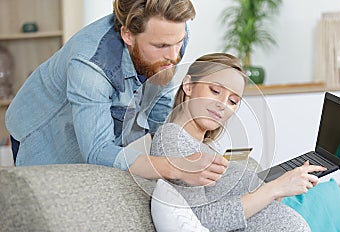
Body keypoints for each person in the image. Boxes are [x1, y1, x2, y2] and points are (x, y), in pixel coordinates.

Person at [150, 53, 340, 232]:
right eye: (215, 91)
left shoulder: (204, 147)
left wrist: (279, 189)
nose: (222, 105)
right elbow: (200, 221)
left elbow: (236, 207)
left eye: (233, 100)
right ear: (188, 85)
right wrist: (272, 189)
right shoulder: (172, 138)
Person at [5, 0, 228, 186]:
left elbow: (160, 102)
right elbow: (97, 151)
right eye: (161, 46)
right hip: (42, 129)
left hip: (90, 124)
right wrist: (176, 168)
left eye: (178, 43)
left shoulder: (170, 34)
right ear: (128, 35)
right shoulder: (90, 68)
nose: (174, 56)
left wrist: (181, 149)